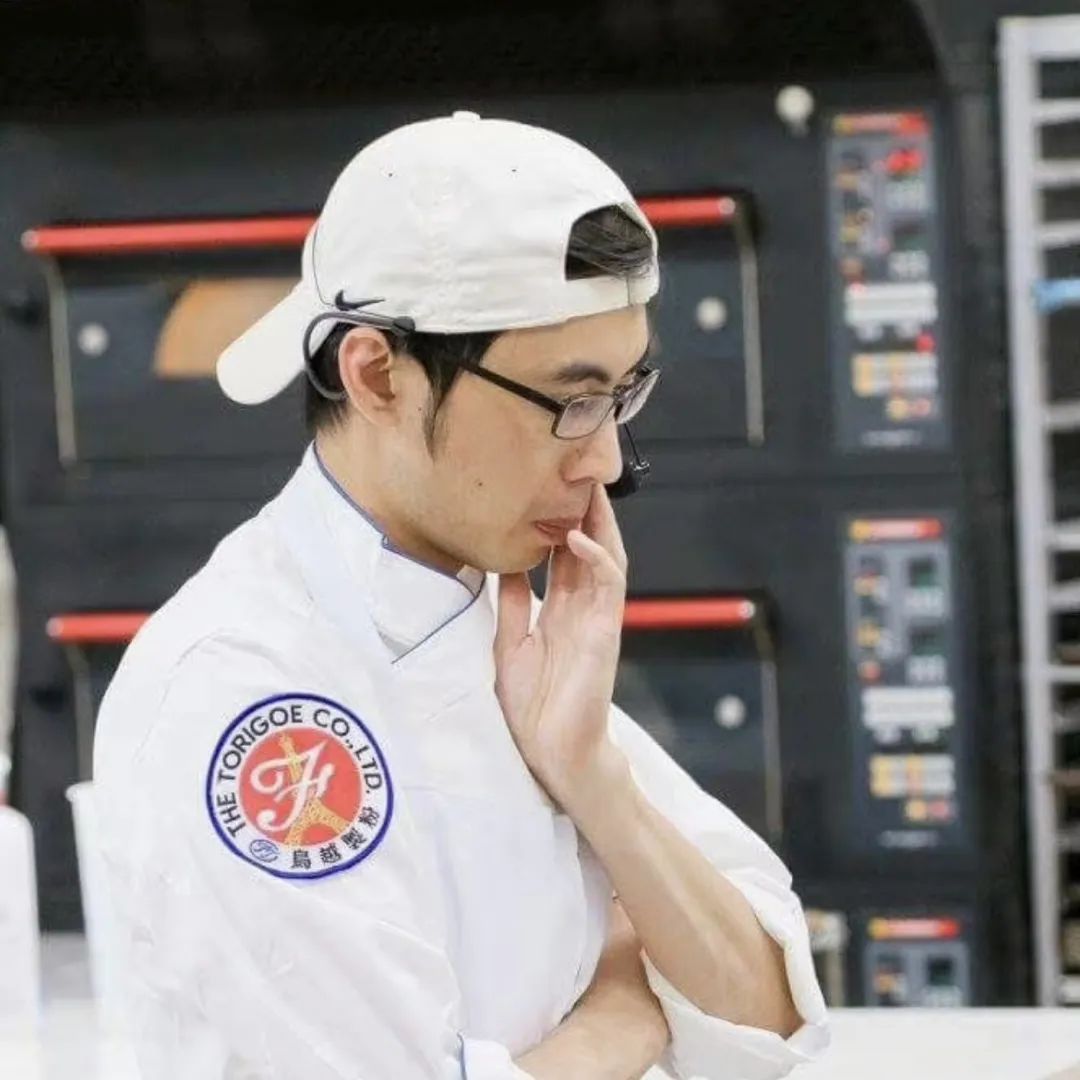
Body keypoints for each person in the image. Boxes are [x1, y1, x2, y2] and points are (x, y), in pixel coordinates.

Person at [93, 111, 829, 1080]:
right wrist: (627, 1008)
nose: (606, 461)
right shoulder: (242, 693)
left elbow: (770, 1012)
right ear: (376, 376)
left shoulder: (493, 619)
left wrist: (593, 777)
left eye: (624, 394)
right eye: (570, 402)